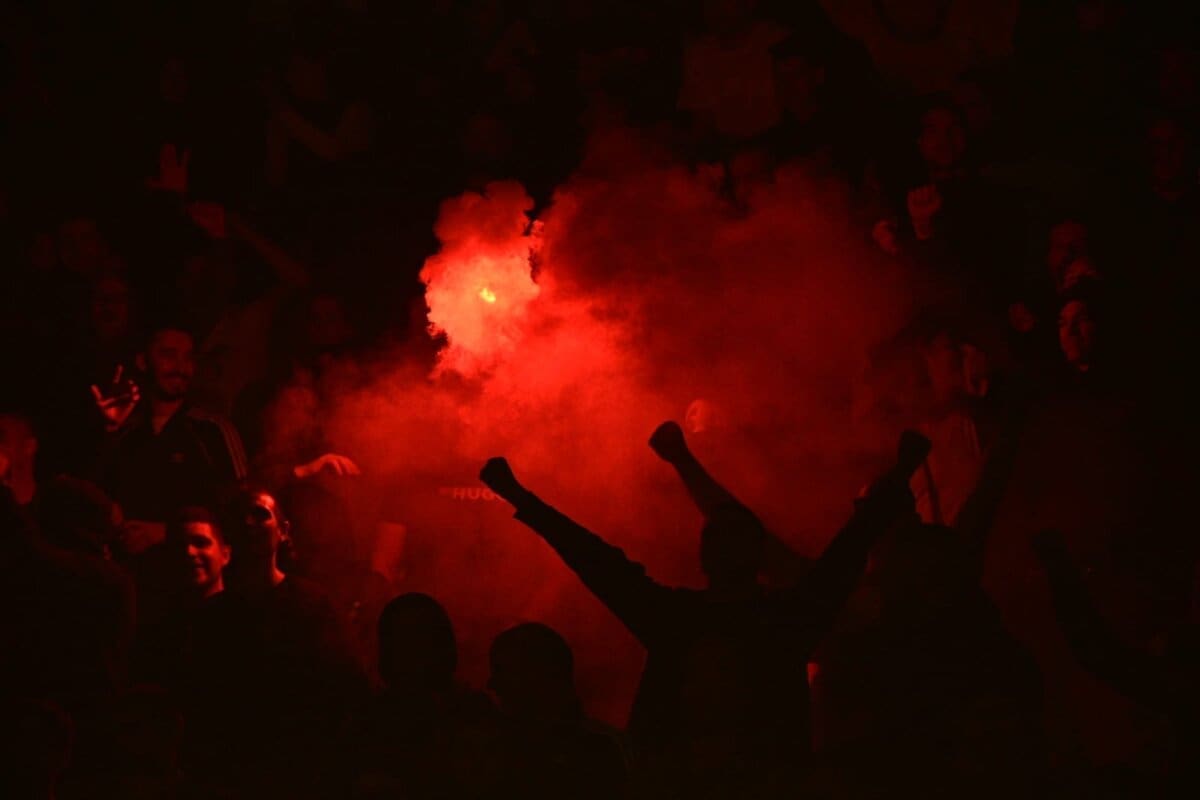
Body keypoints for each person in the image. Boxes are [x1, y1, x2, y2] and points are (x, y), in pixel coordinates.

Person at [478, 429, 929, 766]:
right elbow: (595, 559)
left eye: (733, 536)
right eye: (718, 534)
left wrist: (520, 496)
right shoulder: (772, 619)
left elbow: (847, 552)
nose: (723, 543)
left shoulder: (763, 618)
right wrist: (521, 497)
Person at [1034, 528, 1198, 796]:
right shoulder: (1180, 683)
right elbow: (1099, 652)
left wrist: (1057, 565)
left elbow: (1098, 651)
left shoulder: (1183, 686)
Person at [92, 322, 247, 555]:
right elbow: (94, 498)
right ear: (143, 361)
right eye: (169, 355)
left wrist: (167, 532)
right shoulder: (127, 432)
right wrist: (110, 429)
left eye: (187, 358)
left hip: (189, 575)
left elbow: (241, 510)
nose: (180, 368)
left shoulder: (212, 431)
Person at [481, 622, 628, 799]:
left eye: (502, 670)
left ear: (540, 675)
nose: (492, 684)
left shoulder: (597, 753)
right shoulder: (502, 743)